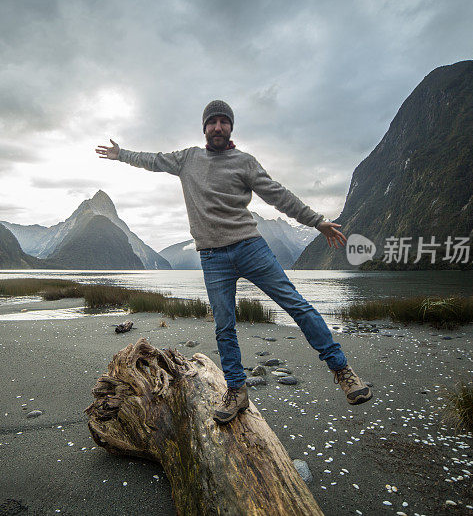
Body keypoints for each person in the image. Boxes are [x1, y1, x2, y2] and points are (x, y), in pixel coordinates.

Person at [95, 100, 372, 424]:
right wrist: (122, 154)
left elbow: (278, 195)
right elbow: (153, 160)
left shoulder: (244, 162)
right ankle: (237, 391)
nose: (217, 126)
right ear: (204, 127)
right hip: (212, 258)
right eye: (211, 121)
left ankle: (342, 370)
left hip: (251, 248)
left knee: (297, 306)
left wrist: (316, 221)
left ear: (230, 127)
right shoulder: (187, 159)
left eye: (223, 121)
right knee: (224, 326)